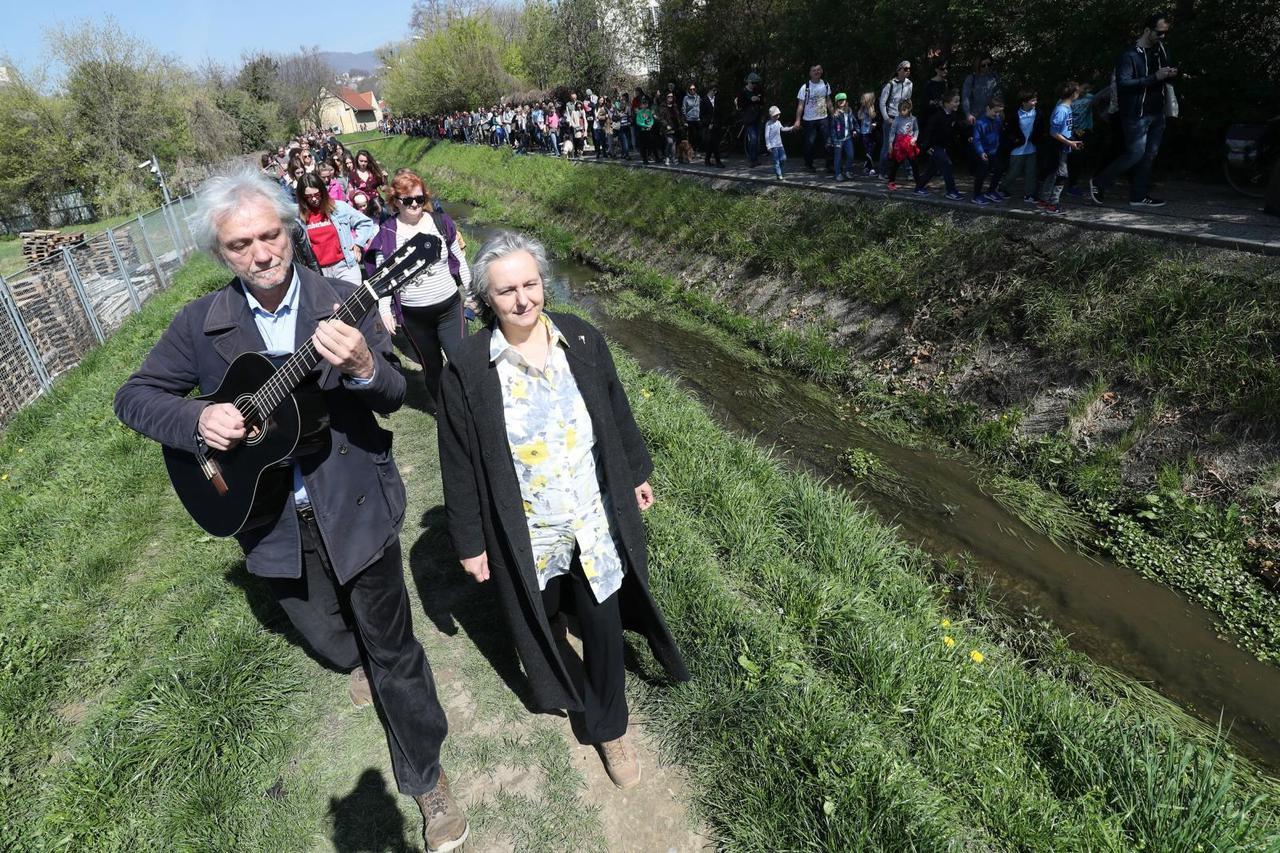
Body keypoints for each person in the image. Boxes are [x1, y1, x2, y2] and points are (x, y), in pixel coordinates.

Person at [113, 169, 468, 853]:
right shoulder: (201, 323)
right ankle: (350, 658)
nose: (261, 253)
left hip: (354, 503)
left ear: (292, 229)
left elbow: (394, 392)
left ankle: (425, 775)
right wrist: (197, 419)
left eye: (270, 234)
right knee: (333, 639)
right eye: (240, 243)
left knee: (393, 650)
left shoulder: (344, 298)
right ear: (222, 254)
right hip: (265, 518)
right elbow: (134, 396)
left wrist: (366, 362)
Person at [437, 231, 690, 791]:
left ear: (544, 283)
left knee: (601, 620)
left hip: (593, 517)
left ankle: (607, 726)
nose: (523, 300)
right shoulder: (468, 365)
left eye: (531, 284)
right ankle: (552, 633)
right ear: (486, 298)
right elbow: (456, 459)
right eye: (506, 291)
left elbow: (614, 409)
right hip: (526, 528)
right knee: (542, 607)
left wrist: (636, 473)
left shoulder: (582, 337)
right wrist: (469, 540)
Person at [363, 170, 470, 413]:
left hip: (450, 307)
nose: (414, 205)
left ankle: (468, 406)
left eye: (419, 199)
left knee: (460, 359)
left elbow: (460, 260)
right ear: (395, 201)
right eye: (407, 200)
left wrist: (472, 293)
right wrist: (385, 309)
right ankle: (444, 412)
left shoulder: (441, 223)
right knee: (432, 366)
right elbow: (384, 278)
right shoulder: (388, 233)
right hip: (414, 315)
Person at [1089, 12, 1178, 208]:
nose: (1163, 37)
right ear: (1147, 30)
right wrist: (1155, 77)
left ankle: (1138, 196)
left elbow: (1166, 74)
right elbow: (1124, 84)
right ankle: (1098, 182)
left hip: (1157, 112)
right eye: (1159, 33)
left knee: (1149, 155)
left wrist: (1171, 73)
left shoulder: (1161, 50)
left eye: (1165, 33)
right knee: (1135, 153)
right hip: (1135, 114)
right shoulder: (1129, 55)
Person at [295, 173, 375, 285]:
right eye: (308, 196)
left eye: (316, 194)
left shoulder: (339, 207)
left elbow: (365, 222)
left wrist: (358, 244)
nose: (313, 199)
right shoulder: (298, 217)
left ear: (322, 191)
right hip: (319, 271)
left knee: (354, 300)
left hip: (345, 266)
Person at [1040, 82, 1084, 215]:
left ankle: (1044, 200)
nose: (1079, 94)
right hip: (1058, 146)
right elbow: (1054, 132)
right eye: (1077, 92)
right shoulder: (1062, 109)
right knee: (1062, 175)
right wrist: (1069, 143)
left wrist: (1073, 136)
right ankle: (1053, 204)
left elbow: (1064, 128)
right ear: (1072, 94)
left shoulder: (1066, 106)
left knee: (1054, 173)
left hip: (1064, 144)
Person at [914, 90, 965, 199]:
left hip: (944, 146)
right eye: (955, 101)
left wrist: (968, 135)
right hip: (934, 147)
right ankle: (951, 191)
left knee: (932, 169)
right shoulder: (936, 116)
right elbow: (927, 132)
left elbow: (958, 129)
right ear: (947, 103)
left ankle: (919, 187)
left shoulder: (953, 115)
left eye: (958, 101)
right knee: (947, 165)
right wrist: (926, 147)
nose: (958, 104)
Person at [1001, 90, 1041, 202]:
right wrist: (1015, 140)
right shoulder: (1015, 114)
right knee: (1014, 172)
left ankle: (1030, 194)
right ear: (1024, 102)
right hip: (1017, 148)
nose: (1035, 102)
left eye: (1035, 100)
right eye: (1033, 100)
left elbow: (1040, 128)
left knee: (1031, 172)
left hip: (1032, 147)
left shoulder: (1038, 113)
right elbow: (1009, 130)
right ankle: (1002, 188)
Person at [793, 64, 834, 172]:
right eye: (814, 70)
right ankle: (808, 165)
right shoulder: (805, 87)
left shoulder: (825, 84)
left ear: (822, 71)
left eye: (819, 70)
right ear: (810, 73)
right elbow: (800, 105)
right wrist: (797, 120)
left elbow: (828, 100)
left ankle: (830, 165)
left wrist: (833, 113)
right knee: (809, 143)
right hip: (809, 120)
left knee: (828, 142)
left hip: (824, 118)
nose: (817, 72)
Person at [879, 61, 914, 174]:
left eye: (909, 69)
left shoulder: (910, 84)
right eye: (905, 69)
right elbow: (882, 102)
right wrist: (886, 118)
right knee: (888, 145)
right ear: (899, 70)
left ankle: (909, 171)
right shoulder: (891, 84)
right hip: (891, 117)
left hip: (903, 117)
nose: (907, 71)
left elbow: (908, 102)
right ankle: (882, 171)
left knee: (906, 144)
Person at [971, 97, 1006, 204]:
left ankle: (991, 191)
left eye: (999, 112)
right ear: (988, 108)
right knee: (982, 173)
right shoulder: (980, 123)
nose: (997, 114)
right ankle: (976, 195)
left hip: (994, 151)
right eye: (995, 112)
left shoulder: (998, 120)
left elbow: (999, 133)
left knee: (999, 169)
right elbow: (976, 140)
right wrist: (981, 152)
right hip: (983, 153)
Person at [884, 98, 919, 190]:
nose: (901, 112)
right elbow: (892, 132)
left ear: (909, 108)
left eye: (904, 109)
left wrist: (915, 138)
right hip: (900, 144)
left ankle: (919, 183)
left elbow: (916, 130)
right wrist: (890, 144)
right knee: (896, 163)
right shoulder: (897, 119)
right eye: (900, 110)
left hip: (910, 144)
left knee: (914, 163)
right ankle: (891, 182)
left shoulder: (913, 119)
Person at [962, 54, 1002, 126]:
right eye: (983, 65)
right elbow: (965, 98)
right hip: (976, 117)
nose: (986, 67)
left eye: (989, 64)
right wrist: (968, 115)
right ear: (978, 65)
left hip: (992, 115)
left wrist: (1000, 110)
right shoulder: (971, 78)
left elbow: (998, 95)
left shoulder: (994, 77)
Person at [737, 72, 765, 168]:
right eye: (753, 83)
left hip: (757, 117)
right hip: (748, 118)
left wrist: (758, 99)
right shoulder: (743, 92)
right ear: (748, 82)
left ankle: (755, 158)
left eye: (756, 83)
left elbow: (763, 101)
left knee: (757, 139)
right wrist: (750, 100)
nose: (754, 85)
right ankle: (752, 159)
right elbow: (740, 105)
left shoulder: (757, 90)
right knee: (752, 138)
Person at [830, 93, 856, 181]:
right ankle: (838, 174)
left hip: (848, 137)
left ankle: (847, 171)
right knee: (838, 157)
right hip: (838, 139)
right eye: (839, 101)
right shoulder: (835, 114)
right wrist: (834, 140)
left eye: (843, 100)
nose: (841, 102)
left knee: (851, 155)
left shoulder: (849, 111)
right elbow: (833, 129)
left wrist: (855, 130)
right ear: (836, 102)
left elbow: (854, 122)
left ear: (846, 101)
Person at [765, 105, 795, 180]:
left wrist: (792, 127)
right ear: (771, 116)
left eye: (778, 115)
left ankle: (777, 169)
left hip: (780, 144)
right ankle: (779, 174)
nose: (777, 116)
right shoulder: (768, 124)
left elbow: (783, 129)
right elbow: (766, 136)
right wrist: (768, 145)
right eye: (775, 115)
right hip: (773, 146)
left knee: (783, 159)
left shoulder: (778, 122)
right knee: (776, 161)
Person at [700, 86, 725, 167]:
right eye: (714, 90)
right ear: (709, 90)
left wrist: (720, 123)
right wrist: (708, 124)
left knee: (714, 144)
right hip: (708, 127)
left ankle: (708, 160)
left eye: (716, 90)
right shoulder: (704, 100)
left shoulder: (716, 100)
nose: (715, 92)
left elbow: (719, 113)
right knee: (713, 144)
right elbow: (702, 115)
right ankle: (717, 161)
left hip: (716, 125)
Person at [856, 92, 879, 176]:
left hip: (871, 132)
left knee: (870, 151)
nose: (861, 101)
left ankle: (868, 167)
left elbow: (876, 118)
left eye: (863, 99)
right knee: (868, 151)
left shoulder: (873, 109)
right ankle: (870, 168)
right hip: (864, 132)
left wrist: (875, 124)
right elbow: (859, 117)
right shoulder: (861, 109)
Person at [635, 97, 657, 164]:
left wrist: (650, 124)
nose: (644, 105)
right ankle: (645, 159)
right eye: (643, 104)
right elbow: (638, 121)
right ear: (641, 105)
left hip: (649, 130)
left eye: (646, 104)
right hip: (642, 131)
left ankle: (657, 157)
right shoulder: (639, 113)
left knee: (652, 144)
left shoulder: (649, 111)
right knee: (643, 146)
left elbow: (652, 119)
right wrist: (645, 125)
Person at [682, 83, 702, 152]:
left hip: (697, 119)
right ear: (689, 90)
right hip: (690, 120)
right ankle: (691, 151)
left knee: (699, 135)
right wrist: (685, 120)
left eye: (694, 89)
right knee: (692, 136)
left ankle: (697, 150)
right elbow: (683, 109)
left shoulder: (698, 97)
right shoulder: (686, 98)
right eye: (691, 89)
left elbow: (700, 107)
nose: (692, 90)